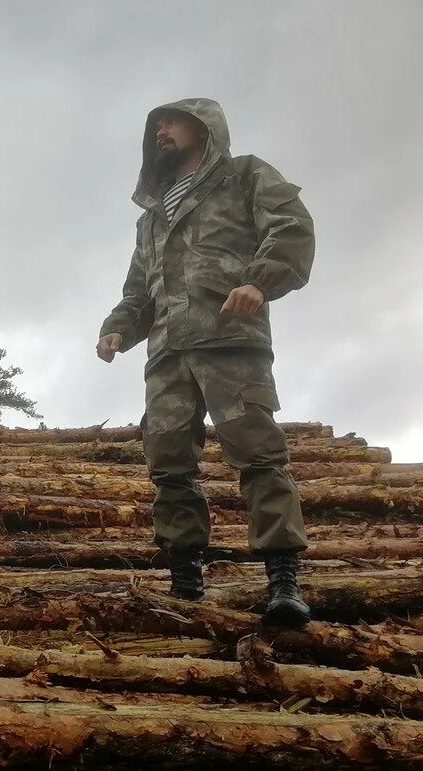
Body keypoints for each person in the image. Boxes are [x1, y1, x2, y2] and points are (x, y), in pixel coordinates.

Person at [96, 98, 316, 627]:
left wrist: (258, 282)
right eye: (155, 127)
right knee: (170, 465)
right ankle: (185, 582)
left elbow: (290, 225)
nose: (160, 133)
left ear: (203, 126)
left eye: (170, 122)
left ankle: (282, 582)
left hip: (230, 339)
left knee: (258, 456)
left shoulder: (244, 176)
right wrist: (118, 327)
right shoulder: (150, 219)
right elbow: (138, 290)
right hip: (168, 354)